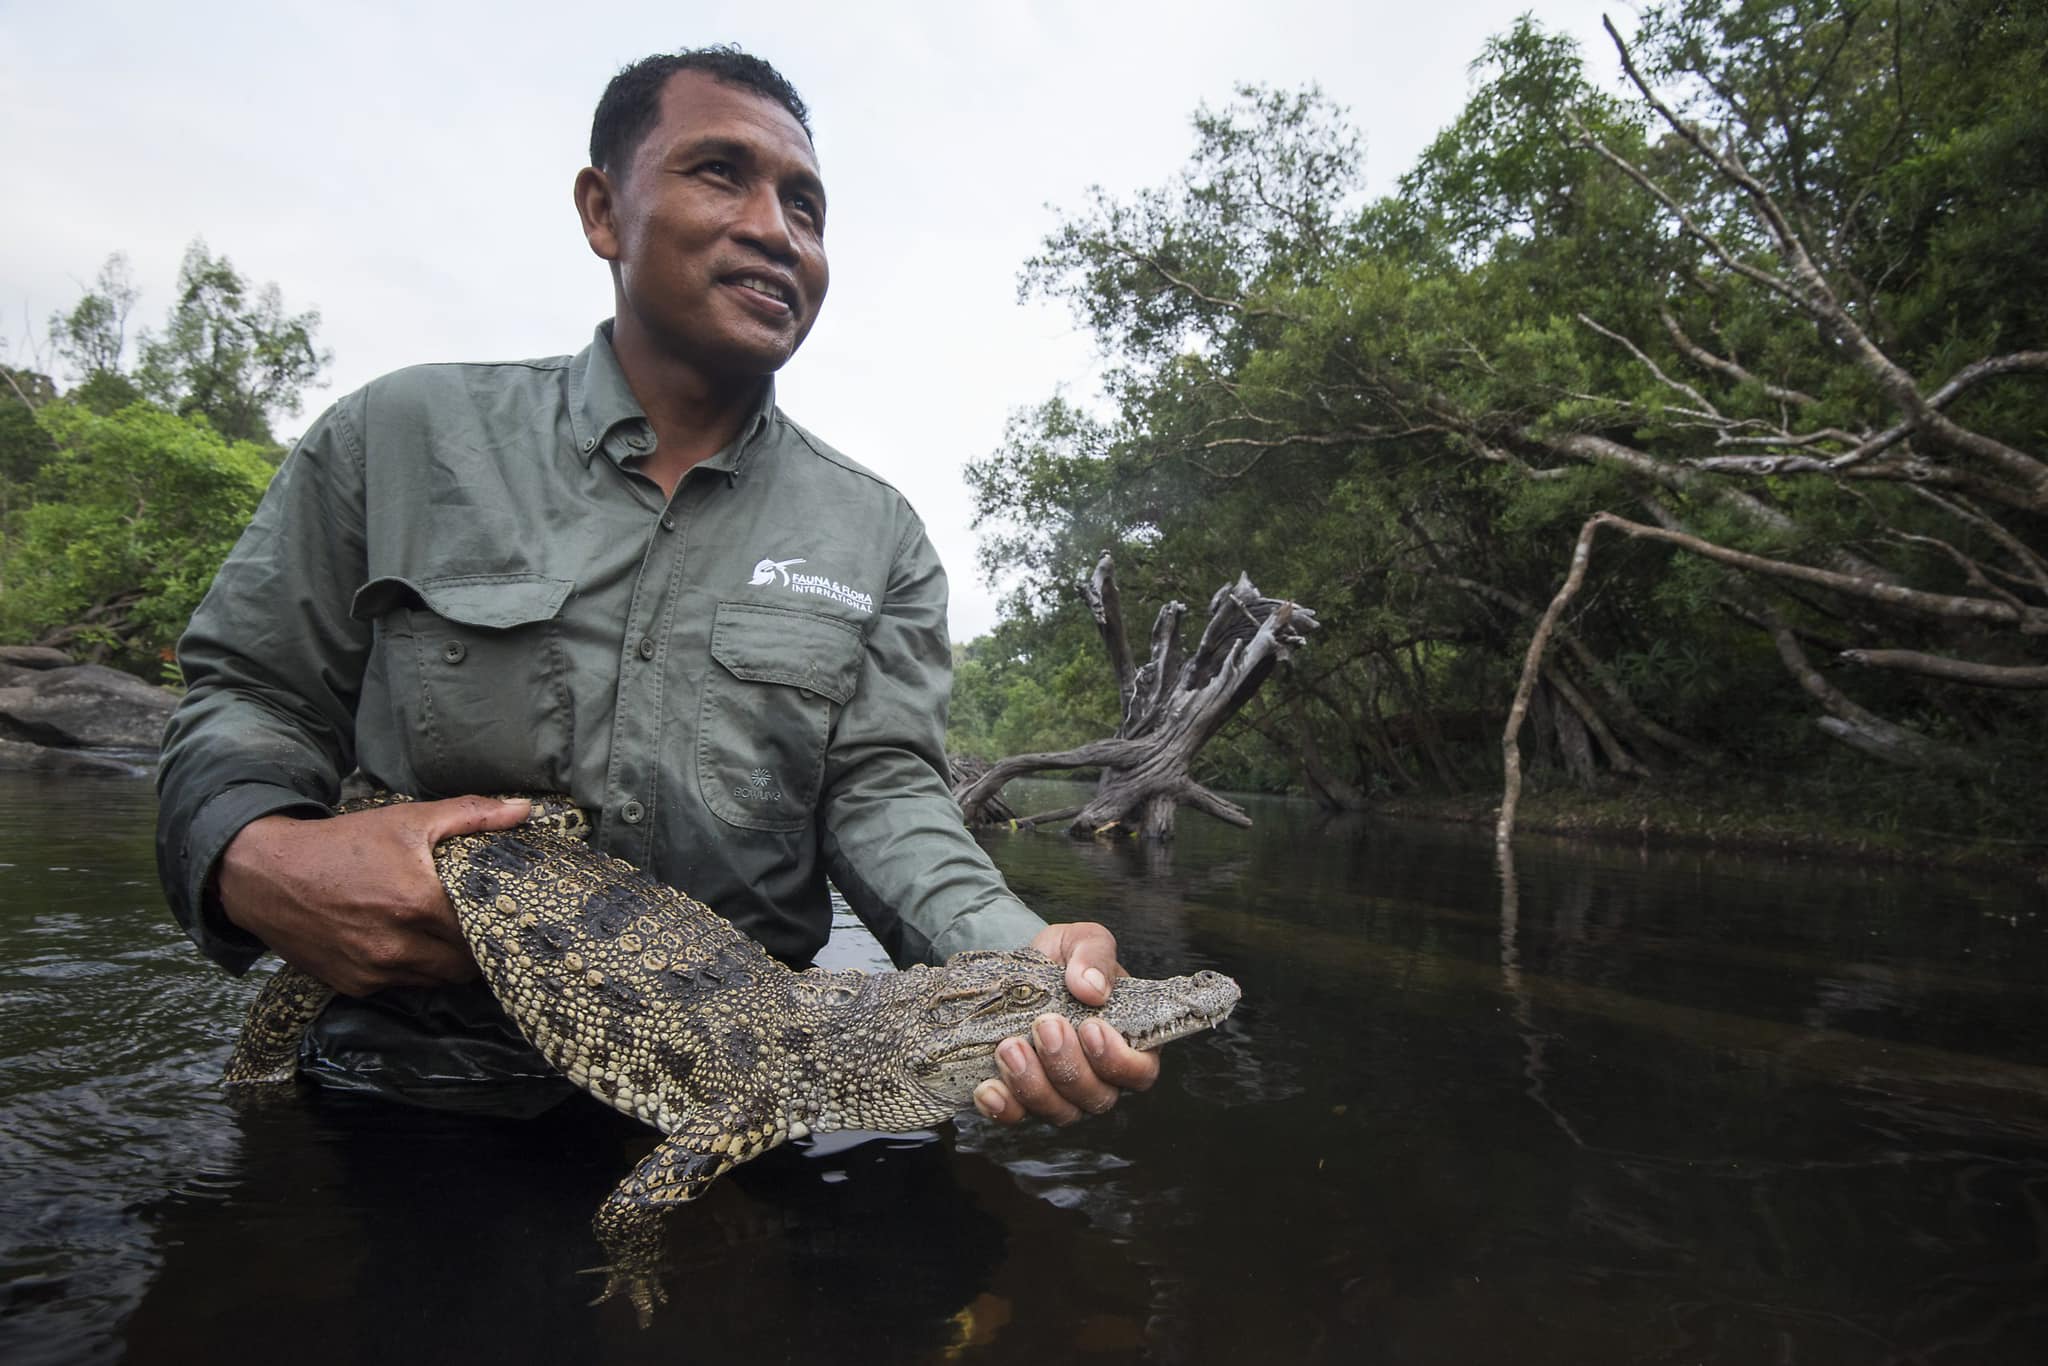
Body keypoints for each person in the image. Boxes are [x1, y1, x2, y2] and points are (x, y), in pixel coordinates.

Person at [155, 47, 1156, 1127]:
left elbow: (883, 793)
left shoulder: (879, 536)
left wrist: (1018, 963)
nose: (776, 230)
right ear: (603, 212)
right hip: (399, 1082)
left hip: (736, 1097)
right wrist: (254, 855)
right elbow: (250, 696)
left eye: (807, 207)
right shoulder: (398, 437)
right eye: (720, 173)